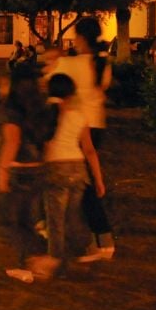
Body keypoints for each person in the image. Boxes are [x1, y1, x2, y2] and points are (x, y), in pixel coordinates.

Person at [45, 17, 115, 261]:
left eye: (76, 37)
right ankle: (90, 236)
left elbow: (49, 83)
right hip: (96, 127)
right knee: (82, 185)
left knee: (82, 187)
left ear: (81, 38)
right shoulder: (102, 64)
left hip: (74, 128)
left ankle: (103, 240)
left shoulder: (68, 63)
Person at [34, 73, 105, 279]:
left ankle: (55, 259)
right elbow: (90, 150)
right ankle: (85, 249)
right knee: (73, 215)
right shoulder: (79, 115)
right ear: (71, 94)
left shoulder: (44, 114)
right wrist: (98, 179)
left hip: (56, 169)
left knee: (55, 218)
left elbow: (43, 146)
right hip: (78, 169)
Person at [0, 63, 57, 283]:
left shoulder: (13, 108)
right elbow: (47, 140)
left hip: (19, 171)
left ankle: (39, 256)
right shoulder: (41, 106)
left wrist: (1, 171)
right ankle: (30, 263)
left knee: (9, 218)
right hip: (38, 168)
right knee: (24, 218)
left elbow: (12, 141)